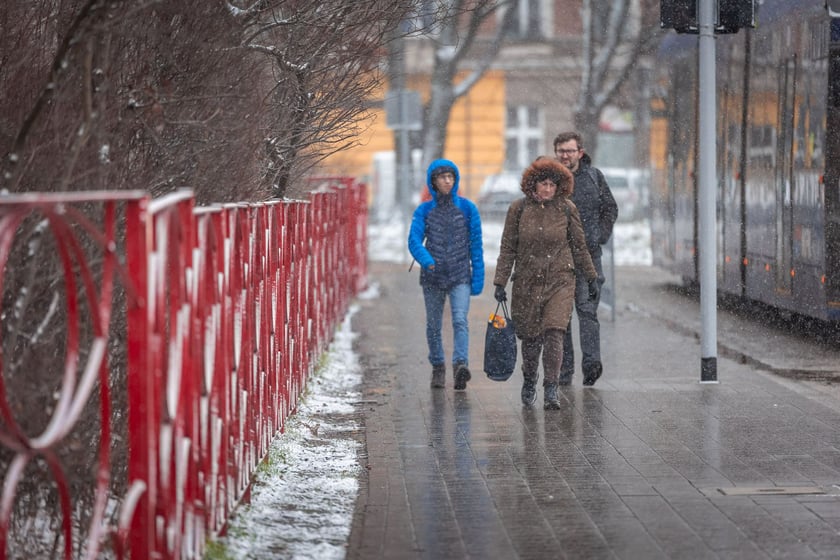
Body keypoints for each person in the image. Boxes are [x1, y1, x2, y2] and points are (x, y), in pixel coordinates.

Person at [492, 157, 599, 409]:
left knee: (554, 332)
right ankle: (530, 379)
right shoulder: (518, 209)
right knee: (530, 339)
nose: (548, 189)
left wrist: (591, 277)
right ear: (533, 184)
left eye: (552, 184)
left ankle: (551, 388)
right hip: (527, 282)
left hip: (560, 281)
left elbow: (579, 246)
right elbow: (508, 247)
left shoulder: (566, 209)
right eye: (543, 184)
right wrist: (500, 281)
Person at [408, 159, 484, 390]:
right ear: (433, 181)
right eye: (442, 177)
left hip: (460, 274)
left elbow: (476, 245)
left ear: (456, 179)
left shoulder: (468, 209)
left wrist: (478, 277)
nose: (447, 181)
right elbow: (414, 241)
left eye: (450, 177)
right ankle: (438, 366)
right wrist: (427, 261)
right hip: (433, 276)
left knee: (460, 320)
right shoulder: (424, 210)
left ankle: (460, 364)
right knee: (433, 325)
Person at [553, 132, 618, 387]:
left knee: (588, 310)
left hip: (589, 258)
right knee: (562, 316)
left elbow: (610, 208)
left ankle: (591, 365)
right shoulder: (550, 179)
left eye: (569, 151)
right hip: (558, 258)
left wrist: (599, 235)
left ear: (580, 152)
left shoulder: (594, 177)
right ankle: (564, 370)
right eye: (561, 151)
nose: (565, 155)